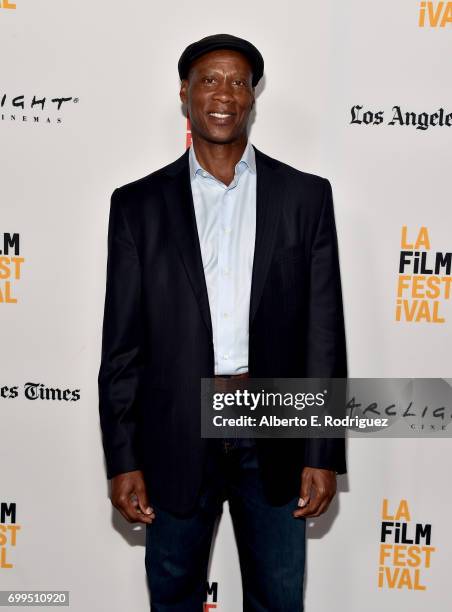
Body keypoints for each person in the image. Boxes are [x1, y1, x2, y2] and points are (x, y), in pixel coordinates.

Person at [98, 33, 347, 611]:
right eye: (210, 79)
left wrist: (322, 451)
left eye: (239, 82)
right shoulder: (136, 206)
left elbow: (324, 336)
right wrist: (123, 457)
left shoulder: (305, 197)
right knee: (174, 596)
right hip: (175, 433)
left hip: (276, 427)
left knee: (279, 600)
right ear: (184, 93)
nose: (224, 93)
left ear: (253, 99)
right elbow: (122, 346)